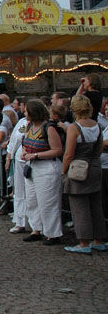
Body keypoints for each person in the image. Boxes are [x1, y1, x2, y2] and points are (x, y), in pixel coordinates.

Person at [61, 95, 107, 254]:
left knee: (79, 206)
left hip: (79, 167)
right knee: (95, 204)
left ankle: (84, 242)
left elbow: (69, 154)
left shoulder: (75, 127)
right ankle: (99, 238)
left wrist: (63, 171)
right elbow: (100, 148)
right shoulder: (97, 125)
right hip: (95, 166)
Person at [20, 99, 64, 245]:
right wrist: (25, 152)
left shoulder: (49, 128)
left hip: (47, 167)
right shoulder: (30, 126)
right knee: (32, 200)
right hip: (32, 166)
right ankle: (36, 229)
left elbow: (57, 150)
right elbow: (25, 143)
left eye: (27, 111)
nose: (24, 113)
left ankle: (53, 233)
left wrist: (37, 155)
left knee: (47, 201)